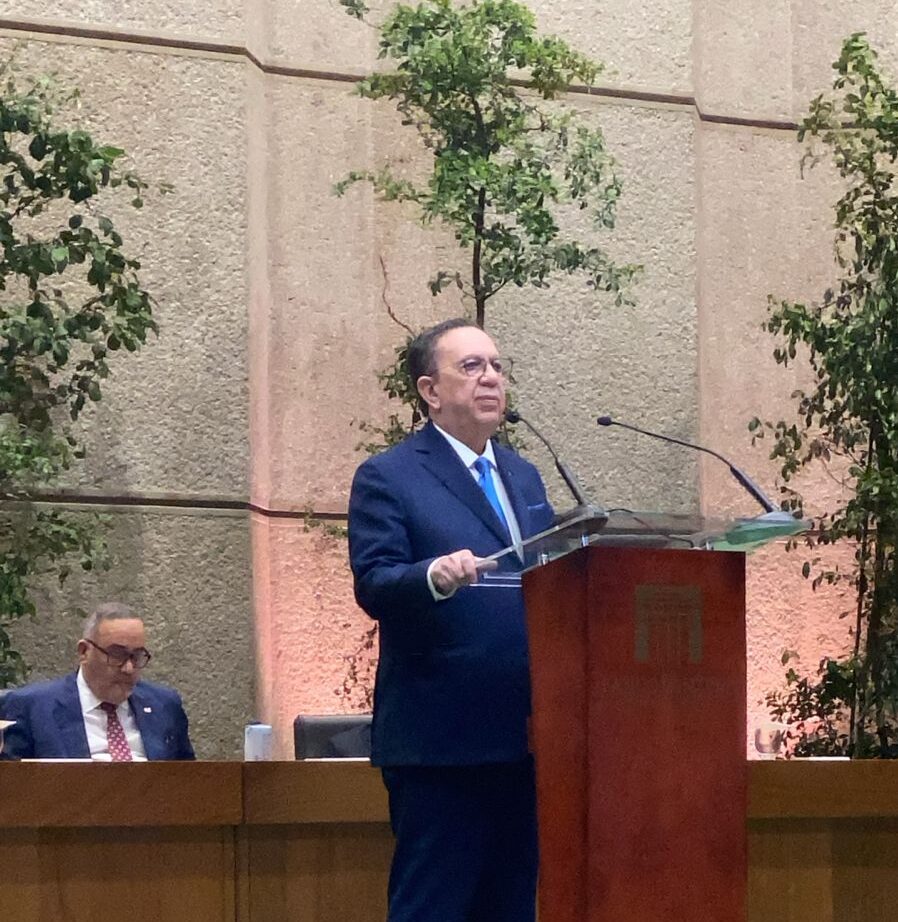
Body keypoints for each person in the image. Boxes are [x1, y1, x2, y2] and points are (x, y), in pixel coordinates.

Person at [348, 318, 554, 922]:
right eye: (471, 366)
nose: (491, 378)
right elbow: (375, 582)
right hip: (441, 743)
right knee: (433, 908)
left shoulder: (523, 475)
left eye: (496, 366)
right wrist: (433, 576)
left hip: (526, 736)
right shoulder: (390, 476)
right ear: (430, 390)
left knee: (511, 907)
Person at [0, 602, 195, 761]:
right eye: (116, 654)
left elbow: (188, 782)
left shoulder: (164, 705)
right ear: (84, 652)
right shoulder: (32, 708)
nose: (128, 668)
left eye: (137, 656)